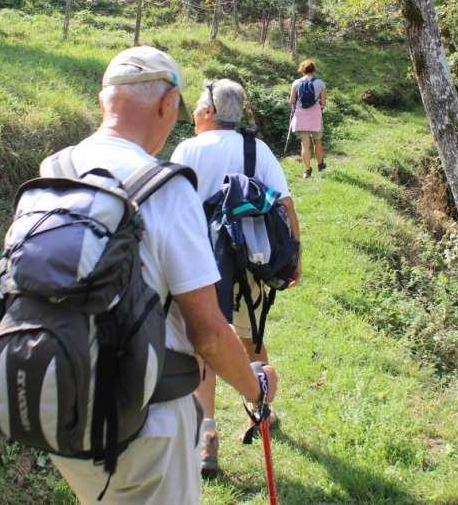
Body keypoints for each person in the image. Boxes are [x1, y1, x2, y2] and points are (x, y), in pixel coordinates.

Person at [49, 48, 278, 504]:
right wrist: (258, 387)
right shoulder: (167, 187)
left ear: (103, 100)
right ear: (166, 103)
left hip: (58, 396)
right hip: (143, 412)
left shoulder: (55, 169)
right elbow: (209, 334)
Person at [170, 78, 301, 476]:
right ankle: (260, 408)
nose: (193, 113)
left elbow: (172, 207)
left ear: (209, 111)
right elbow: (285, 206)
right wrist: (295, 259)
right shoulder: (255, 148)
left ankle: (207, 435)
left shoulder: (187, 149)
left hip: (195, 265)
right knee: (249, 337)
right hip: (248, 262)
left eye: (196, 106)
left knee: (204, 345)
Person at [289, 60, 327, 178]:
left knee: (304, 145)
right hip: (315, 116)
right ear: (313, 69)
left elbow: (292, 101)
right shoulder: (320, 83)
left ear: (302, 69)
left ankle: (307, 170)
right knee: (317, 142)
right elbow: (323, 102)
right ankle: (320, 165)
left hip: (301, 117)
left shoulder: (296, 83)